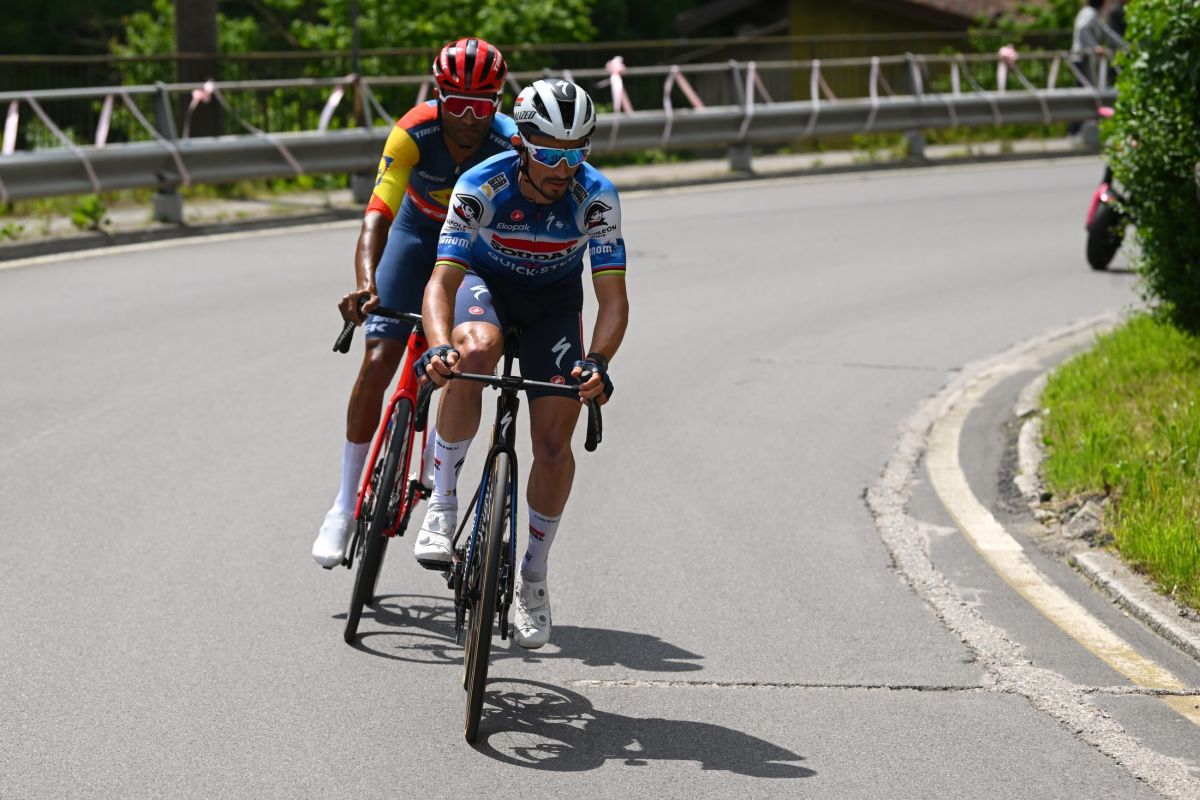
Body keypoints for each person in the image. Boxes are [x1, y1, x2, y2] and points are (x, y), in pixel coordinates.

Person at [413, 79, 629, 649]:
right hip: (486, 286)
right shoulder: (481, 185)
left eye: (577, 152)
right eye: (551, 153)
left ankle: (533, 576)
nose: (564, 167)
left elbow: (612, 299)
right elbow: (441, 282)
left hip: (553, 306)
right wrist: (438, 346)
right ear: (522, 143)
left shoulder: (596, 196)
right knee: (474, 351)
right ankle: (442, 501)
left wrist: (598, 362)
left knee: (554, 443)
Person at [311, 37, 517, 568]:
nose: (468, 118)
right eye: (457, 103)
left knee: (456, 353)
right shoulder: (413, 131)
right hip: (416, 234)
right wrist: (366, 284)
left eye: (481, 106)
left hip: (471, 249)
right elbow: (376, 216)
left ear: (497, 102)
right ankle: (342, 505)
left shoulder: (510, 142)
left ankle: (434, 450)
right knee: (378, 359)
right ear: (438, 95)